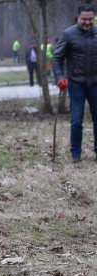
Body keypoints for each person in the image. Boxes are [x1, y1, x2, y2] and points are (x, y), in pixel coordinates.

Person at [54, 4, 97, 164]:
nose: (87, 22)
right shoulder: (68, 34)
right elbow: (57, 58)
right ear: (77, 17)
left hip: (95, 85)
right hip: (76, 84)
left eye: (90, 19)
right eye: (84, 19)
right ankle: (76, 154)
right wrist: (59, 77)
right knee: (77, 120)